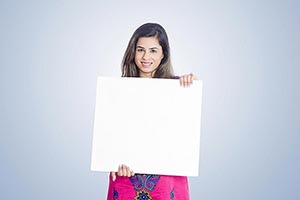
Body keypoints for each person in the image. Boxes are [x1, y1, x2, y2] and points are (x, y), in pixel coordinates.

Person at [107, 22, 197, 200]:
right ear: (133, 52)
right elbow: (109, 134)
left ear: (164, 54)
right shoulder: (117, 91)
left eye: (153, 50)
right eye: (140, 49)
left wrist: (190, 85)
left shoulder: (177, 88)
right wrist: (112, 159)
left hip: (165, 178)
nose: (145, 56)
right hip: (127, 177)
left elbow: (185, 129)